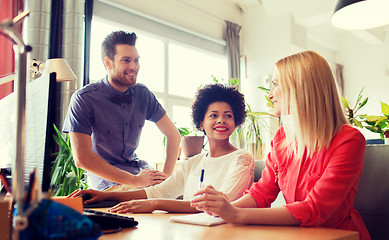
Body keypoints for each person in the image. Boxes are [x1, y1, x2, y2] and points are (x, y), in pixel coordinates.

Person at [190, 51, 371, 240]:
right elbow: (262, 193)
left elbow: (316, 209)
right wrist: (224, 209)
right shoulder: (281, 138)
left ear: (299, 88)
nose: (270, 95)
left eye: (275, 84)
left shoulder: (349, 140)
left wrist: (235, 214)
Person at [69, 83, 255, 213]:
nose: (221, 120)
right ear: (201, 123)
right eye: (213, 115)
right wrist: (103, 195)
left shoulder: (242, 159)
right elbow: (157, 191)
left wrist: (155, 204)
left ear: (236, 121)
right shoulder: (194, 162)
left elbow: (222, 204)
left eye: (228, 116)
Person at [62, 30, 181, 191]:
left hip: (139, 172)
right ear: (108, 63)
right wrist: (135, 181)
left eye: (136, 60)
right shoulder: (84, 99)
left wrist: (165, 177)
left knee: (186, 194)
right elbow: (82, 158)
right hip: (108, 181)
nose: (133, 66)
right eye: (126, 60)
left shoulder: (143, 94)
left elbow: (173, 135)